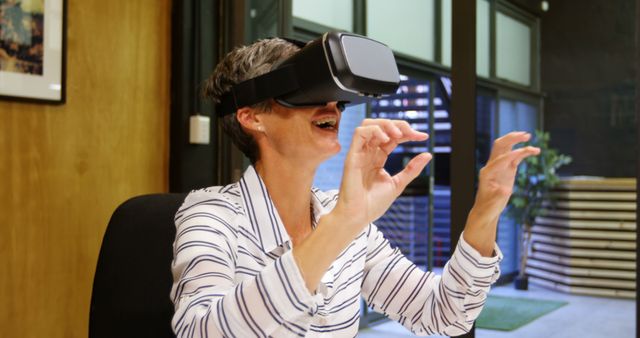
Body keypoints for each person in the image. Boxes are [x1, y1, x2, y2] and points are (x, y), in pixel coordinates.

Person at [170, 37, 540, 337]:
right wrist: (342, 223)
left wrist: (485, 212)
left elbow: (444, 315)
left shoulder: (345, 218)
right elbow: (201, 331)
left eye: (335, 94)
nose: (332, 105)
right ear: (251, 117)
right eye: (309, 91)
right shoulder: (211, 215)